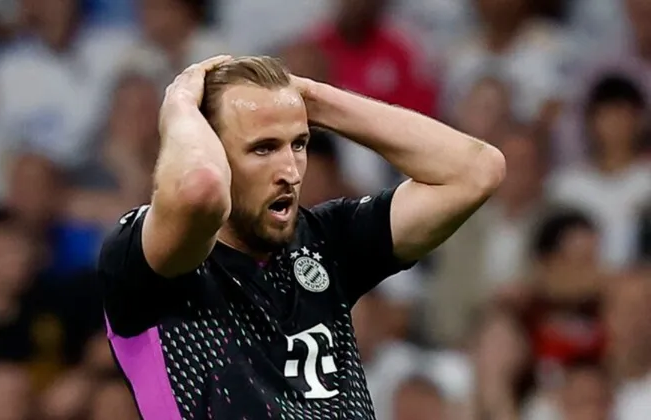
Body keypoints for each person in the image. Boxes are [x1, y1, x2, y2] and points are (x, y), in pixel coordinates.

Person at [97, 55, 505, 419]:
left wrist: (312, 99)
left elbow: (476, 171)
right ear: (210, 150)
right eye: (263, 148)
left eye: (299, 144)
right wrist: (181, 103)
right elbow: (200, 189)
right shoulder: (146, 262)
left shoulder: (326, 240)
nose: (290, 172)